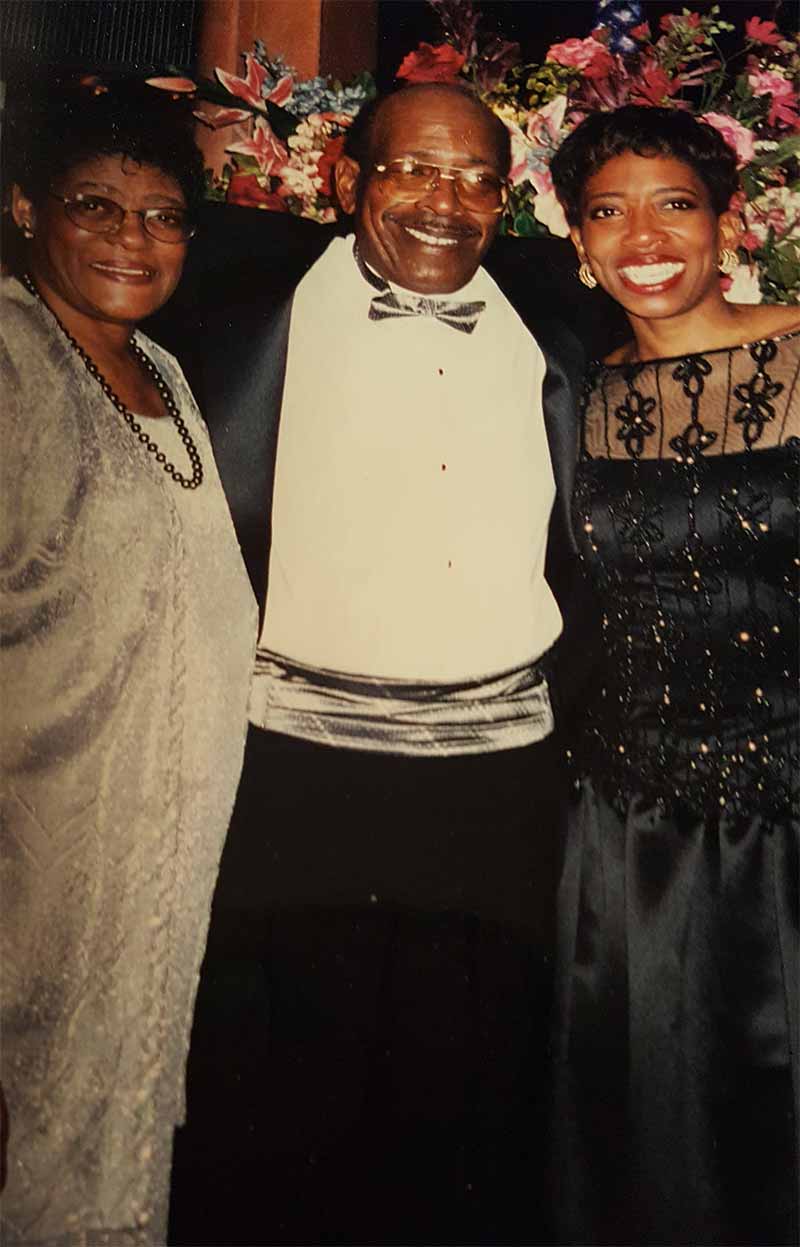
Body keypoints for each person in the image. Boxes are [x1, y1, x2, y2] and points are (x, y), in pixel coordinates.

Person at [170, 82, 584, 1246]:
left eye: (476, 179)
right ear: (346, 178)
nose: (445, 203)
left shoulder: (559, 315)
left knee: (472, 1101)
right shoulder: (227, 304)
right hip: (294, 768)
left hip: (501, 778)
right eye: (413, 169)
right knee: (287, 1102)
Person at [0, 82, 256, 1245]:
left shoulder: (162, 367)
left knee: (118, 1133)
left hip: (156, 858)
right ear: (26, 208)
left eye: (161, 216)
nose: (131, 239)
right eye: (94, 206)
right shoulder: (14, 360)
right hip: (40, 854)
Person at [550, 104, 799, 1246]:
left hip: (789, 807)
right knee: (657, 1132)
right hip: (631, 821)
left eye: (674, 205)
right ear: (577, 241)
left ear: (726, 224)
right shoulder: (575, 394)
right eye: (608, 211)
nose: (642, 237)